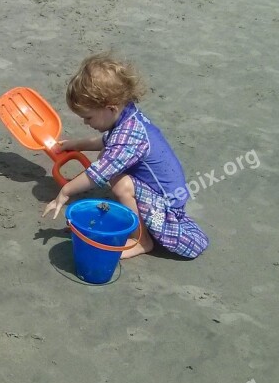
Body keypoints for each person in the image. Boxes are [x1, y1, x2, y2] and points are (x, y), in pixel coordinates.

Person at [42, 53, 209, 259]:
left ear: (110, 108)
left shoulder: (129, 135)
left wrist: (65, 191)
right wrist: (75, 144)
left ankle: (142, 241)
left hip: (167, 206)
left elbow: (98, 174)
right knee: (109, 158)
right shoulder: (127, 117)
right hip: (161, 192)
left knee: (119, 182)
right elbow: (107, 141)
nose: (86, 123)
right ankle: (136, 219)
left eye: (88, 117)